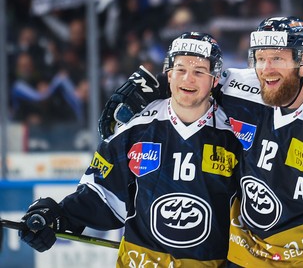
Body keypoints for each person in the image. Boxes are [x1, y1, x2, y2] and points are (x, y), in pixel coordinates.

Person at [98, 16, 303, 267]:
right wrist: (144, 88)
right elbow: (192, 76)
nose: (266, 69)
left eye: (278, 58)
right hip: (247, 255)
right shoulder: (241, 86)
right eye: (260, 57)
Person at [19, 32, 242, 267]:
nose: (188, 79)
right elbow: (102, 194)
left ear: (215, 79)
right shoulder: (135, 127)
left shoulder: (236, 134)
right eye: (180, 69)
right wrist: (56, 216)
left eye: (199, 72)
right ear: (168, 73)